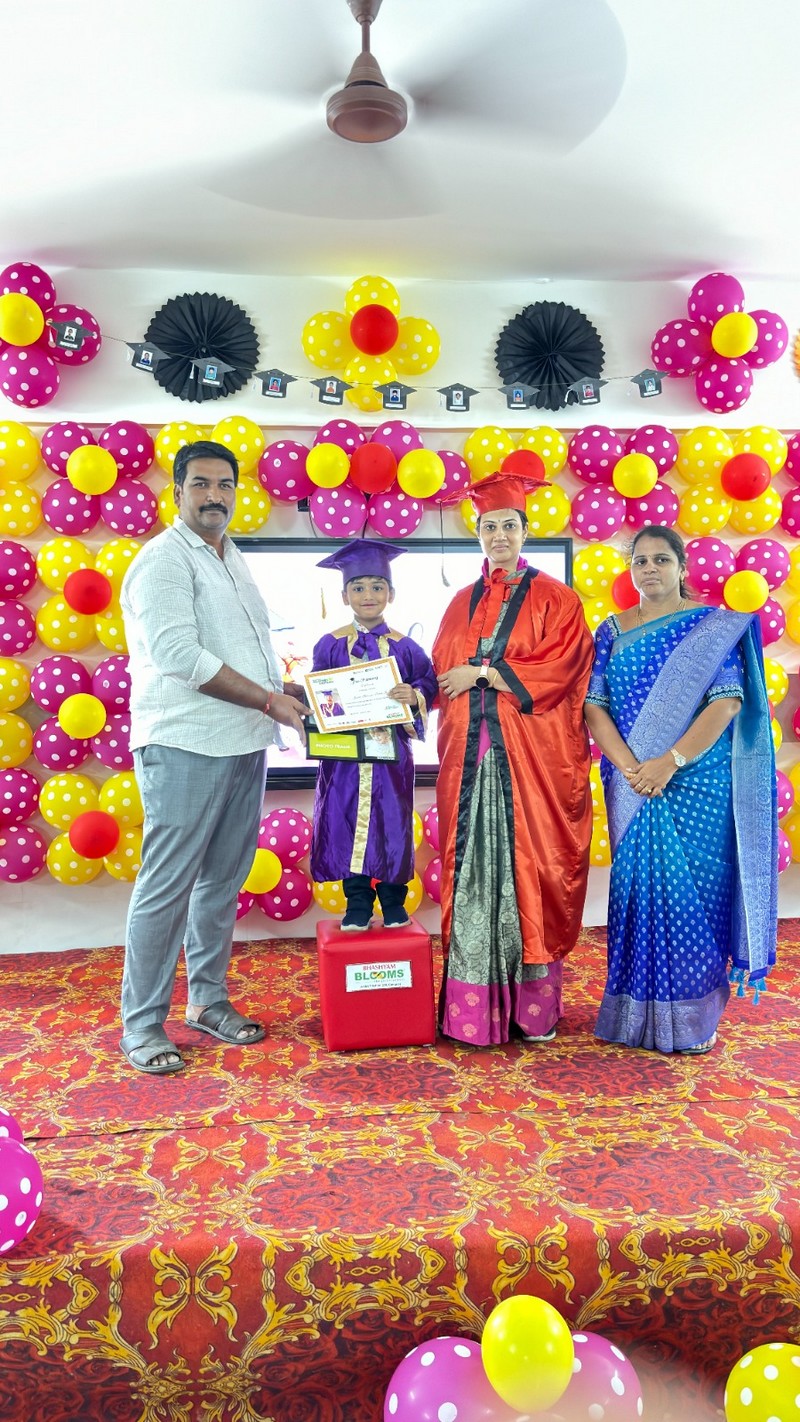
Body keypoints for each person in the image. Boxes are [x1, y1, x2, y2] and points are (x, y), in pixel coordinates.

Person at [119, 439, 310, 1075]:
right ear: (177, 492)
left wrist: (280, 690)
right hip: (184, 742)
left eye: (224, 485)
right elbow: (179, 656)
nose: (214, 496)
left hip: (243, 742)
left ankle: (206, 1001)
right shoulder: (164, 560)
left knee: (222, 881)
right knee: (166, 885)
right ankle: (143, 1025)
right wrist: (267, 699)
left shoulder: (230, 555)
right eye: (200, 484)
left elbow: (243, 645)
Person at [584, 524, 777, 1055]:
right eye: (640, 561)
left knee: (696, 897)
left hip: (695, 780)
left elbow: (727, 702)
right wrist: (632, 768)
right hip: (632, 782)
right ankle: (633, 1018)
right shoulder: (611, 631)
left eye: (661, 560)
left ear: (681, 567)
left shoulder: (709, 627)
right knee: (637, 895)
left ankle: (692, 1021)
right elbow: (594, 706)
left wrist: (669, 762)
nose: (649, 569)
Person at [432, 471, 595, 1046]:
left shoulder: (557, 599)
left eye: (508, 525)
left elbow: (564, 667)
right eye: (488, 526)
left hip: (529, 762)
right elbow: (441, 674)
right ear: (477, 534)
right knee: (474, 878)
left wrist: (482, 673)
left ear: (526, 531)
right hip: (468, 762)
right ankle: (473, 1014)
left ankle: (532, 1013)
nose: (498, 535)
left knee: (530, 874)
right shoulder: (459, 602)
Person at [310, 539, 438, 932]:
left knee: (391, 821)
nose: (369, 595)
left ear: (391, 593)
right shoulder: (329, 645)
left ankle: (394, 901)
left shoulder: (406, 647)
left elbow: (429, 685)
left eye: (378, 587)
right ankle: (358, 904)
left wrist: (414, 695)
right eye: (359, 587)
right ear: (344, 595)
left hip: (390, 755)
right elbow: (320, 695)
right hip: (345, 758)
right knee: (346, 820)